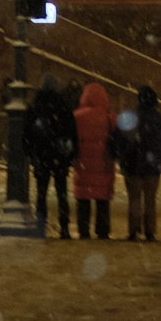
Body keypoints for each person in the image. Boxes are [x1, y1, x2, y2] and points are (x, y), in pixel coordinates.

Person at [114, 84, 161, 242]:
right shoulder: (160, 119)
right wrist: (158, 157)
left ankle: (133, 230)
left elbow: (119, 140)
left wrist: (124, 156)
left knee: (134, 199)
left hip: (133, 166)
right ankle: (150, 231)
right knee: (150, 200)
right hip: (152, 166)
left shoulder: (130, 117)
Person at [24, 73, 78, 238]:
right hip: (59, 154)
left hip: (42, 155)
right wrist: (72, 154)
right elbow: (72, 131)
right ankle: (64, 228)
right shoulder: (63, 105)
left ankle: (41, 227)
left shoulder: (35, 105)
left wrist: (30, 153)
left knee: (41, 193)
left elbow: (27, 132)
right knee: (62, 192)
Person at [71, 78, 116, 241]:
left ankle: (83, 230)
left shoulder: (77, 116)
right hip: (103, 163)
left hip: (83, 163)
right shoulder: (110, 117)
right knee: (102, 198)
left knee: (83, 197)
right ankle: (102, 230)